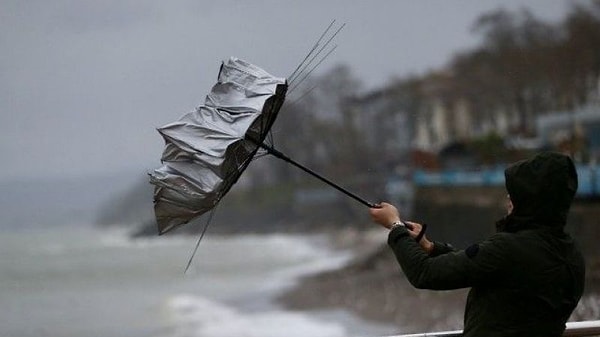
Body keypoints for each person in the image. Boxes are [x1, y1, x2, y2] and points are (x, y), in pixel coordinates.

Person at [369, 152, 585, 337]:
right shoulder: (571, 254)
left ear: (533, 200)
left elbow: (425, 273)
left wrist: (395, 225)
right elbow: (488, 267)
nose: (509, 197)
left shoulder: (508, 249)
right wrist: (430, 247)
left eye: (517, 192)